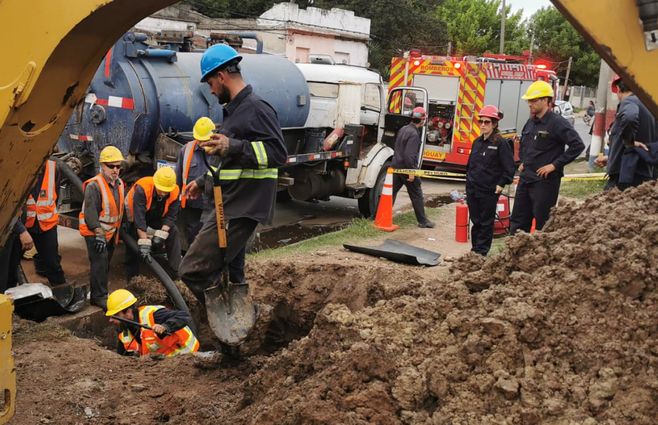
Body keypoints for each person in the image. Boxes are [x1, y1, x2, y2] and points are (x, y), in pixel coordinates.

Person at [179, 44, 287, 304]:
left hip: (241, 208)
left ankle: (225, 314)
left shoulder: (256, 108)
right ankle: (236, 332)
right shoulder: (235, 112)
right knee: (232, 270)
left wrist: (233, 145)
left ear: (221, 77)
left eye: (210, 84)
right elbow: (232, 165)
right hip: (230, 202)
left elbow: (278, 154)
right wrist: (202, 181)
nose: (211, 91)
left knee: (191, 271)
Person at [510, 81, 585, 234]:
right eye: (528, 100)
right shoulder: (531, 122)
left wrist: (554, 165)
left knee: (543, 224)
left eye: (533, 100)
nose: (529, 104)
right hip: (526, 179)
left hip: (544, 183)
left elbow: (577, 145)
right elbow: (525, 144)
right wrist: (523, 162)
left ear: (546, 100)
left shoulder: (557, 123)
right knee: (517, 222)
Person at [79, 146, 125, 309]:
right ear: (102, 166)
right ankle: (99, 297)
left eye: (118, 166)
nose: (115, 170)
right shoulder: (94, 186)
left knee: (105, 263)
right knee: (99, 263)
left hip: (110, 232)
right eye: (111, 166)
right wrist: (98, 233)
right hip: (94, 232)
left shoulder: (119, 184)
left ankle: (99, 292)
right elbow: (90, 213)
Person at [466, 105, 515, 255]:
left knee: (486, 223)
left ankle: (481, 253)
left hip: (489, 191)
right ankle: (475, 251)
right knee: (476, 222)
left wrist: (501, 184)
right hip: (473, 189)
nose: (483, 125)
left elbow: (509, 168)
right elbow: (470, 165)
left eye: (487, 122)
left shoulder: (501, 143)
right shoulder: (477, 142)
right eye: (481, 121)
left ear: (494, 124)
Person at [595, 75, 655, 190]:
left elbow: (630, 117)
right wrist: (611, 157)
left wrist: (629, 142)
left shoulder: (629, 101)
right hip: (642, 173)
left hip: (626, 176)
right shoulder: (648, 106)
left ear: (618, 88)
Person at [124, 166, 181, 280]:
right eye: (161, 190)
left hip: (157, 214)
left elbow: (171, 215)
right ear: (155, 183)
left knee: (173, 231)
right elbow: (139, 218)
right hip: (135, 214)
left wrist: (162, 233)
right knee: (132, 235)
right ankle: (133, 277)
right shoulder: (142, 188)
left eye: (166, 191)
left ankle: (175, 272)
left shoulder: (175, 191)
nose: (163, 193)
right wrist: (144, 242)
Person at [105, 289, 199, 357]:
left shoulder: (153, 315)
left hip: (188, 357)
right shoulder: (123, 330)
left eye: (115, 315)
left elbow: (184, 316)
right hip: (164, 368)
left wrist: (165, 326)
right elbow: (121, 357)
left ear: (128, 312)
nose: (110, 320)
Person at [23, 160, 67, 287]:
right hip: (25, 225)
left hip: (47, 224)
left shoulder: (54, 169)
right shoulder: (21, 166)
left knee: (52, 263)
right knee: (11, 265)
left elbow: (55, 194)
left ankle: (61, 289)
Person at [391, 106, 435, 228]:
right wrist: (412, 171)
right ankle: (423, 221)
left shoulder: (403, 129)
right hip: (406, 169)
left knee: (390, 194)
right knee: (416, 194)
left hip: (396, 167)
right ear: (422, 120)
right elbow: (409, 155)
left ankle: (378, 216)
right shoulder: (414, 134)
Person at [176, 117, 213, 250]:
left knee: (210, 237)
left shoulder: (220, 151)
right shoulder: (186, 150)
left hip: (213, 203)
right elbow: (178, 178)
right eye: (200, 139)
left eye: (206, 139)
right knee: (193, 236)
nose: (203, 142)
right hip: (192, 204)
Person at [0, 218, 33, 293]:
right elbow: (6, 210)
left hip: (11, 232)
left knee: (11, 276)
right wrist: (21, 230)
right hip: (4, 234)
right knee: (3, 279)